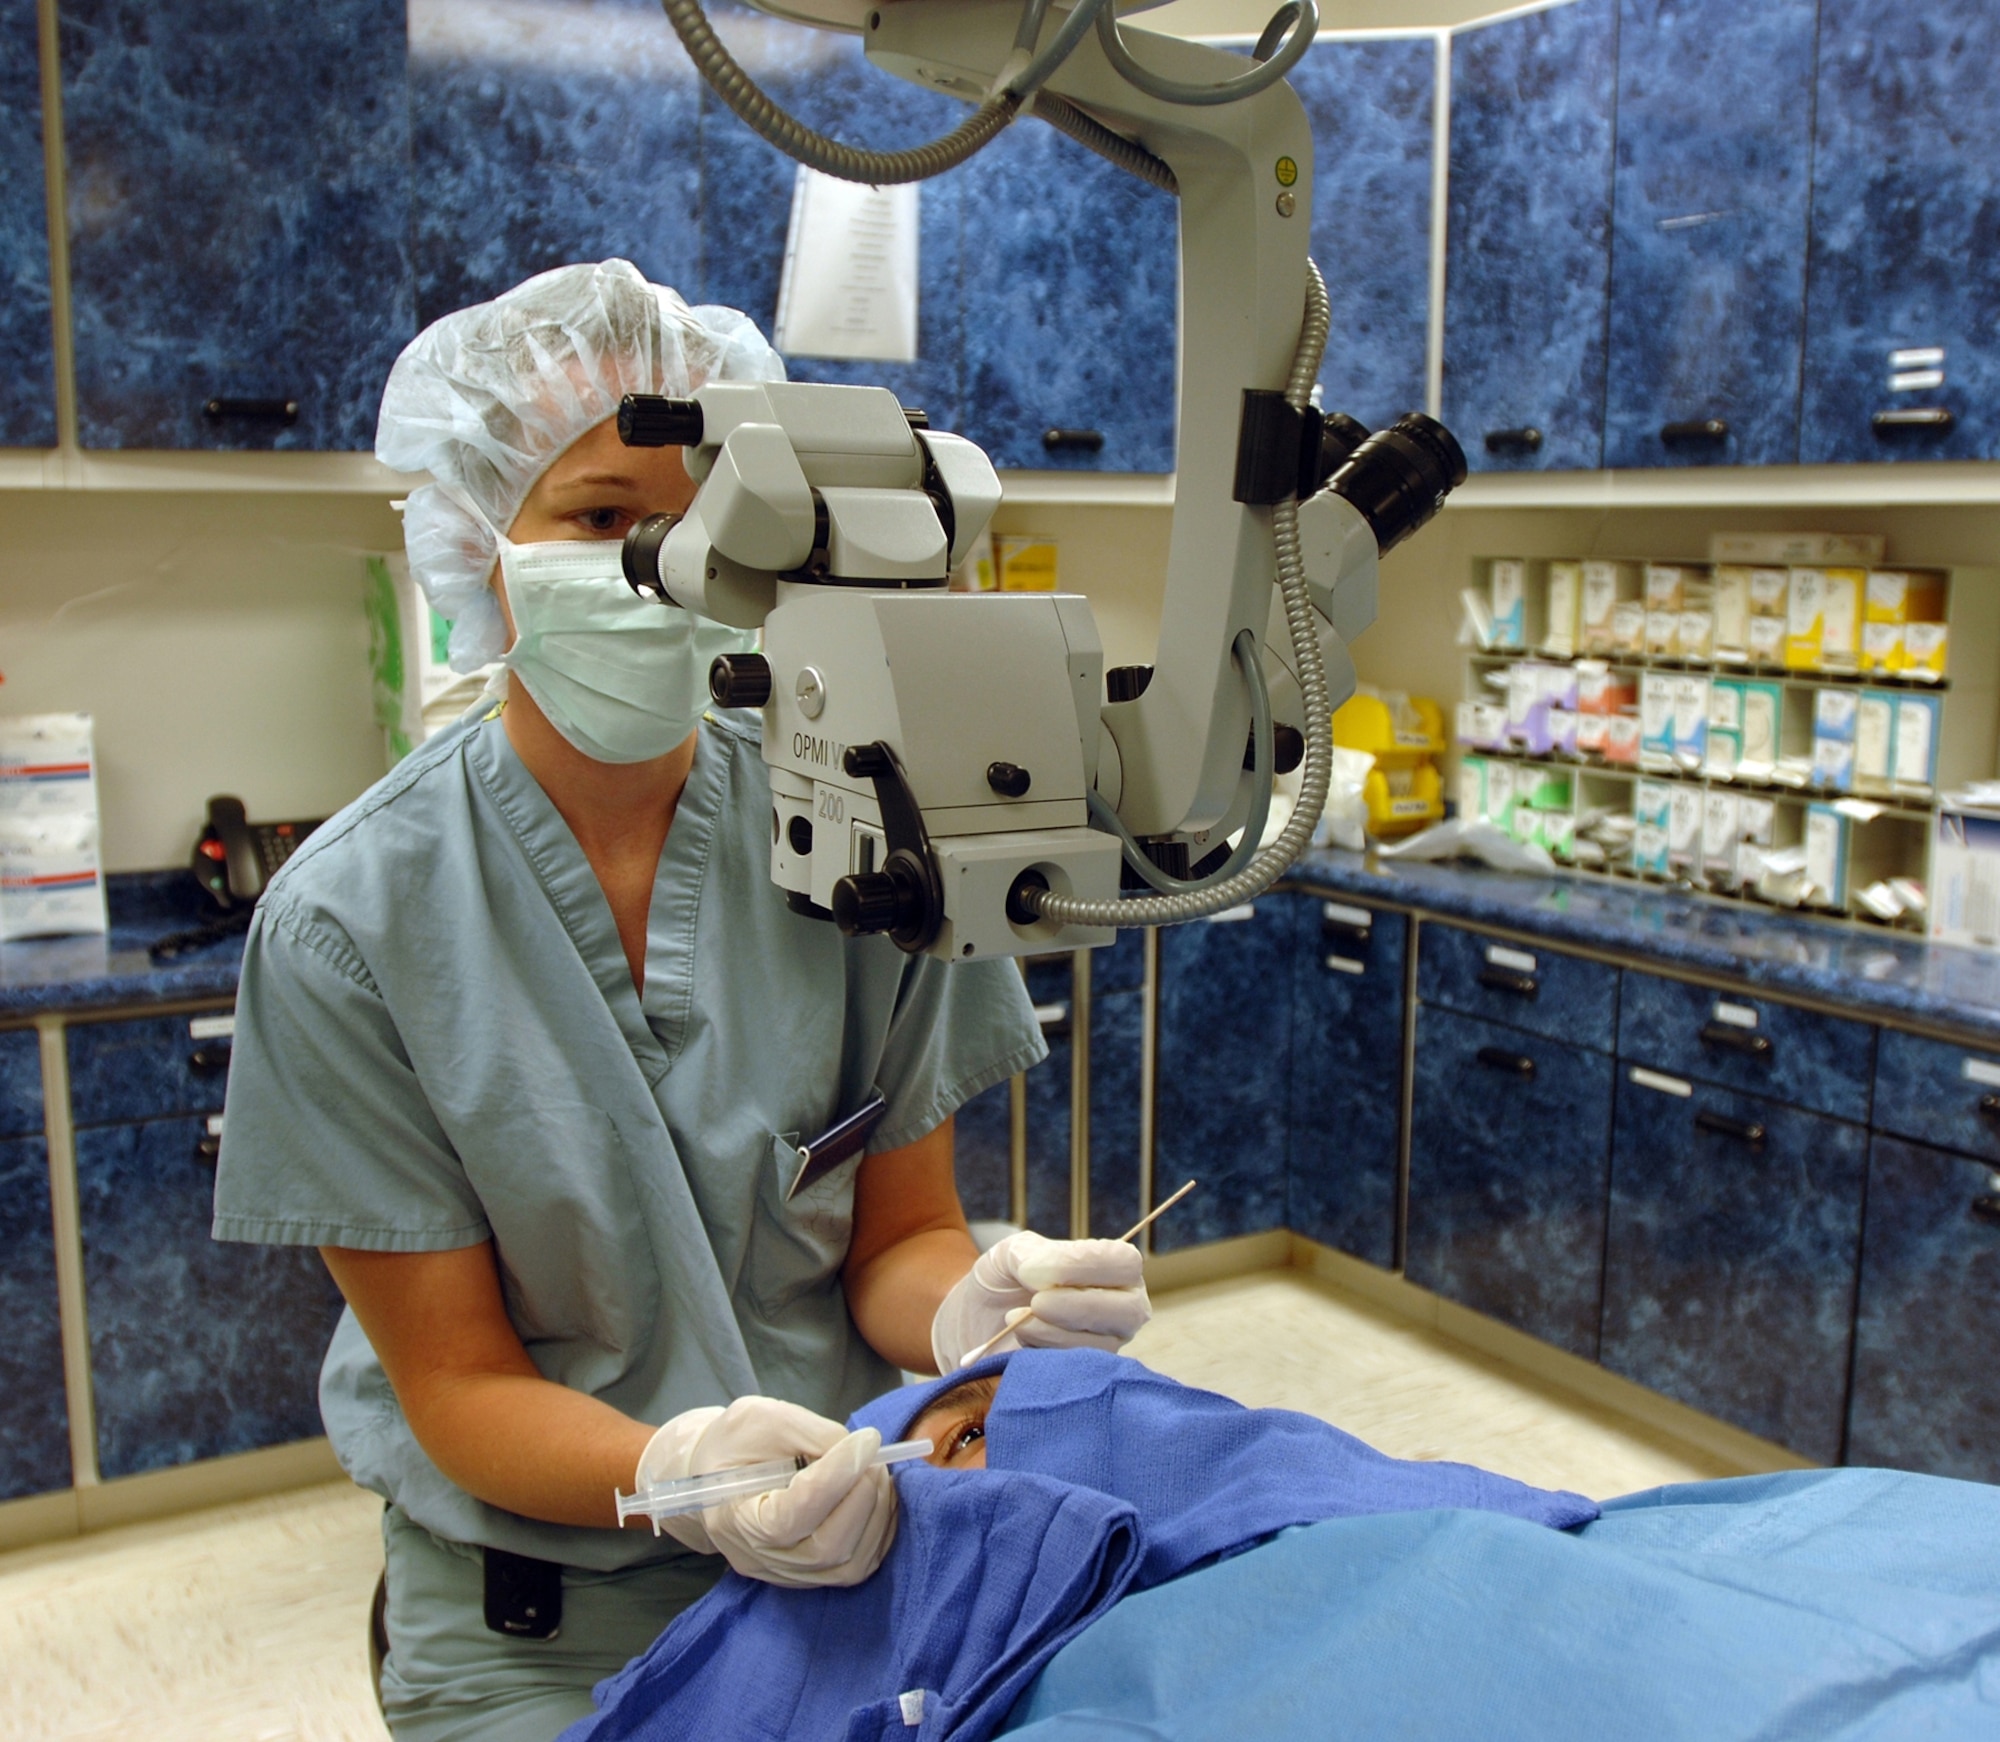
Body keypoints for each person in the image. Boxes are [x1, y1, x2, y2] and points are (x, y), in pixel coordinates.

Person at [210, 259, 1151, 1742]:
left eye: (698, 520)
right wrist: (685, 1470)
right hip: (539, 1613)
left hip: (849, 1541)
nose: (661, 564)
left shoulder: (854, 840)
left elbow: (896, 1238)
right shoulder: (351, 923)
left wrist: (977, 1309)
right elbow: (455, 1381)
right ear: (478, 540)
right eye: (598, 517)